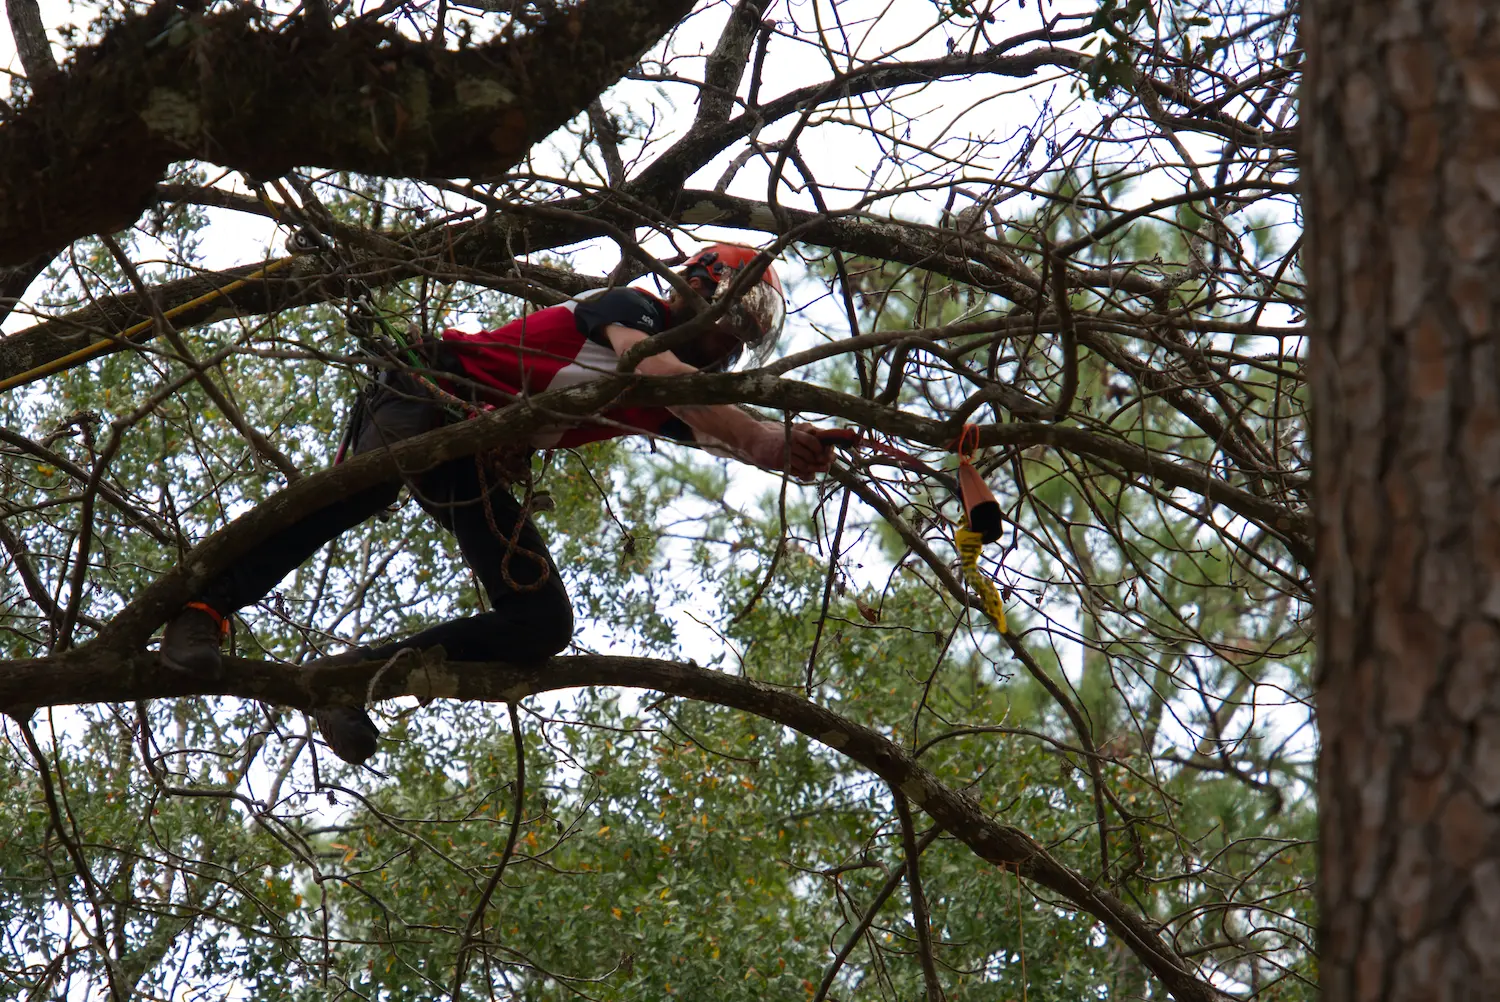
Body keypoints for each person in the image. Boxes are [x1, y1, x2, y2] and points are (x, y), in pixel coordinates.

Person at [159, 244, 835, 764]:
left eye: (739, 344)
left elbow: (727, 432)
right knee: (364, 486)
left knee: (541, 623)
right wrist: (755, 434)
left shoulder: (672, 399)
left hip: (470, 451)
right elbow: (649, 367)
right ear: (694, 292)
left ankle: (352, 678)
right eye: (726, 330)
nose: (726, 349)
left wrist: (785, 445)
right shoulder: (630, 310)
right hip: (432, 386)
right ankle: (202, 609)